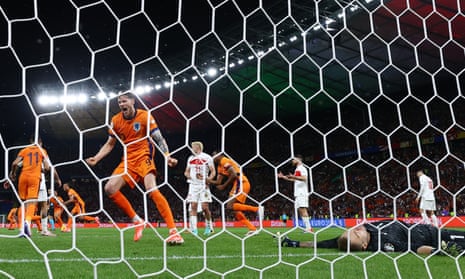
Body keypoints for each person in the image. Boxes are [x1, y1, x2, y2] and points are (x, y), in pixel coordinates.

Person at [85, 91, 183, 244]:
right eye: (119, 102)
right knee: (109, 188)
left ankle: (173, 231)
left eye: (124, 101)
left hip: (144, 155)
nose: (121, 104)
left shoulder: (145, 116)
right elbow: (110, 144)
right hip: (128, 160)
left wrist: (167, 156)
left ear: (133, 101)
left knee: (152, 189)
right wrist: (96, 158)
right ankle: (137, 220)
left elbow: (158, 137)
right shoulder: (116, 120)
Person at [280, 219, 465, 256]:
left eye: (352, 229)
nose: (356, 228)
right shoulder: (384, 243)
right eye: (356, 233)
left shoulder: (366, 230)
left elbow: (321, 243)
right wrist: (440, 251)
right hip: (435, 236)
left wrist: (295, 243)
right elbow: (412, 248)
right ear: (364, 245)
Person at [9, 136, 58, 237]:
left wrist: (12, 174)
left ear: (30, 141)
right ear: (40, 142)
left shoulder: (25, 151)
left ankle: (22, 229)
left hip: (23, 177)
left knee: (24, 204)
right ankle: (43, 229)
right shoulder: (42, 151)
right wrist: (57, 179)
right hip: (38, 179)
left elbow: (16, 164)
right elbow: (49, 167)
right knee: (43, 205)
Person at [208, 152, 263, 236]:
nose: (212, 158)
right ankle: (252, 228)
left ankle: (257, 209)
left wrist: (223, 186)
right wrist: (206, 180)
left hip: (240, 182)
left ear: (219, 155)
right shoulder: (219, 167)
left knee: (229, 206)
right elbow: (218, 181)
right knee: (235, 210)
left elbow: (234, 175)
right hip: (238, 184)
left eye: (213, 156)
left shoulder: (224, 160)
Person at [184, 141, 216, 236]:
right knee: (193, 206)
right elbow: (186, 172)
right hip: (193, 186)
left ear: (198, 147)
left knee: (204, 207)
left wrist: (208, 179)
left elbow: (213, 171)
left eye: (192, 147)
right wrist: (189, 176)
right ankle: (194, 229)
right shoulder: (190, 158)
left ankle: (209, 226)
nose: (191, 149)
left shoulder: (207, 157)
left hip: (203, 185)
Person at [278, 155, 313, 233]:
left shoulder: (302, 168)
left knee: (303, 209)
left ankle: (309, 228)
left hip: (302, 192)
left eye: (293, 159)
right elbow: (296, 180)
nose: (292, 161)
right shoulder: (297, 169)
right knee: (300, 210)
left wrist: (293, 176)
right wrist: (283, 177)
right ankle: (308, 228)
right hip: (298, 193)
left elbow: (304, 178)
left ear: (298, 159)